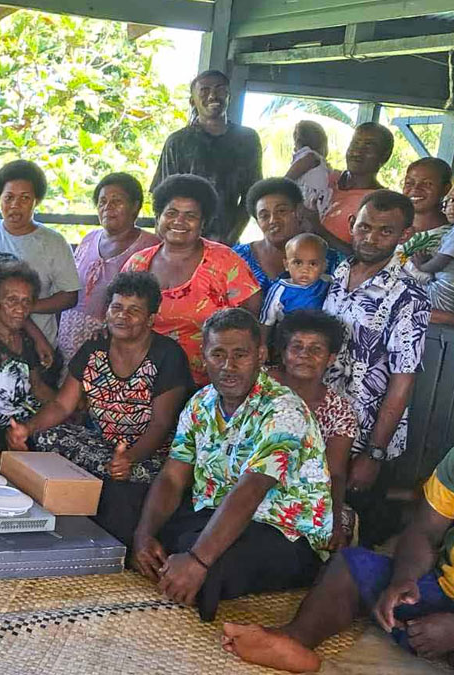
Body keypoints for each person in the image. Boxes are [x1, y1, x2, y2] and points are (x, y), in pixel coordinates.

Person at [131, 308, 331, 622]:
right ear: (204, 357)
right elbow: (172, 476)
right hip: (216, 513)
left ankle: (190, 561)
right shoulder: (201, 402)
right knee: (124, 505)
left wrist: (198, 560)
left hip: (283, 533)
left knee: (208, 567)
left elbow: (251, 490)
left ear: (260, 355)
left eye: (240, 355)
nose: (228, 366)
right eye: (218, 354)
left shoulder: (284, 409)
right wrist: (144, 535)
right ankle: (178, 553)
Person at [222, 444, 454, 673]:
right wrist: (404, 579)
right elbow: (425, 530)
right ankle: (294, 640)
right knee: (350, 567)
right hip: (443, 586)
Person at [5, 271, 191, 548]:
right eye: (117, 307)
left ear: (151, 319)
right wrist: (27, 428)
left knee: (122, 480)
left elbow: (160, 425)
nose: (122, 316)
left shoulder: (167, 355)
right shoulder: (95, 347)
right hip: (106, 447)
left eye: (134, 310)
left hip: (150, 455)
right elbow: (62, 404)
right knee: (45, 435)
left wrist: (129, 458)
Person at [324, 190, 431, 545]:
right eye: (365, 227)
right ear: (351, 224)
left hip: (365, 435)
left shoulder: (408, 297)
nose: (371, 238)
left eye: (386, 231)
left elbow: (402, 382)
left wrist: (374, 453)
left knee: (354, 533)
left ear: (404, 235)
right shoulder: (338, 272)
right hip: (322, 423)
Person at [122, 174, 263, 387]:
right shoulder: (137, 263)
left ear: (203, 222)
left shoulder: (224, 261)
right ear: (159, 217)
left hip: (209, 383)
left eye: (190, 215)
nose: (179, 221)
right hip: (142, 379)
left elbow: (251, 315)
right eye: (171, 213)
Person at [0, 160, 79, 365]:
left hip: (36, 350)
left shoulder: (53, 242)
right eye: (9, 197)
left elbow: (69, 297)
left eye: (24, 198)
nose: (15, 205)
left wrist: (24, 306)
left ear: (36, 201)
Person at [269, 310, 358, 550]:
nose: (304, 355)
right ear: (283, 354)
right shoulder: (260, 386)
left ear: (330, 359)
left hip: (302, 491)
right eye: (296, 347)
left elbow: (335, 473)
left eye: (316, 349)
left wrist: (334, 521)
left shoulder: (340, 411)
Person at [151, 70, 263, 245]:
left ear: (229, 96)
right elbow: (162, 196)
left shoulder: (247, 139)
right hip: (182, 238)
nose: (213, 96)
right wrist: (168, 240)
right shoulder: (178, 141)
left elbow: (252, 195)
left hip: (226, 241)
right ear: (192, 101)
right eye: (204, 90)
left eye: (220, 89)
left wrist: (230, 239)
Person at [57, 172, 159, 361]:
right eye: (102, 201)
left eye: (116, 201)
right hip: (69, 333)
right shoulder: (89, 239)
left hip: (114, 339)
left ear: (135, 206)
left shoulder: (150, 246)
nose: (107, 207)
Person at [0, 261, 56, 449]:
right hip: (2, 431)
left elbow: (37, 386)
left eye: (26, 301)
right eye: (12, 300)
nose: (20, 309)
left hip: (30, 423)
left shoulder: (23, 337)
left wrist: (64, 410)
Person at [232, 177, 339, 295]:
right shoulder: (236, 259)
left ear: (299, 211)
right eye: (264, 216)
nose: (273, 220)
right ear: (257, 222)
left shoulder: (327, 259)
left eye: (281, 211)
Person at [309, 122, 394, 256]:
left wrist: (317, 227)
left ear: (385, 155)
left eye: (368, 146)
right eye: (355, 144)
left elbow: (362, 256)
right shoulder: (327, 178)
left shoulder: (382, 203)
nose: (357, 152)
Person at [260, 233, 331, 334]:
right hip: (289, 337)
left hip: (320, 336)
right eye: (298, 263)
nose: (305, 270)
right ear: (286, 265)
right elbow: (266, 323)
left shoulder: (328, 284)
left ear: (324, 266)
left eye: (313, 264)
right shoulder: (279, 290)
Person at [398, 157, 452, 270]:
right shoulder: (390, 226)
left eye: (427, 184)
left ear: (446, 188)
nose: (415, 188)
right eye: (409, 183)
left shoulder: (449, 235)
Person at [415, 187, 454, 325]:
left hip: (443, 293)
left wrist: (422, 266)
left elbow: (440, 262)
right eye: (449, 201)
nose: (451, 207)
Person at [285, 120, 332, 215]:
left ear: (298, 141)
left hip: (308, 202)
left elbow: (287, 179)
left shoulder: (309, 157)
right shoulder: (319, 161)